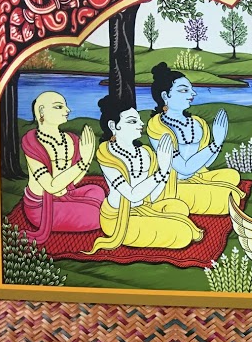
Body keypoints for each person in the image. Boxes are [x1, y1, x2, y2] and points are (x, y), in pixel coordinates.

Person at [85, 96, 204, 254]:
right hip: (118, 218)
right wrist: (161, 172)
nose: (141, 124)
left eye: (139, 120)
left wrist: (166, 168)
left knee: (179, 208)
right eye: (132, 121)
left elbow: (152, 197)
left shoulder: (144, 152)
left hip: (144, 207)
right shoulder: (108, 154)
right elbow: (132, 195)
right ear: (114, 126)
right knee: (182, 234)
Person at [145, 62, 244, 215]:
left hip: (197, 176)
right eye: (184, 90)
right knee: (229, 198)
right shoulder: (158, 126)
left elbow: (205, 164)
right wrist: (215, 144)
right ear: (165, 96)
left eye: (191, 89)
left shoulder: (197, 123)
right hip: (173, 184)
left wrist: (218, 143)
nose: (192, 94)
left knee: (232, 175)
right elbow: (184, 168)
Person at [21, 91, 104, 244]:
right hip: (42, 207)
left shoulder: (70, 139)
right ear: (41, 112)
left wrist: (87, 158)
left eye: (65, 106)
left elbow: (72, 181)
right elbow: (51, 186)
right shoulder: (33, 143)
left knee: (97, 191)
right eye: (59, 107)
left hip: (66, 194)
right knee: (98, 216)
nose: (67, 110)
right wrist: (84, 161)